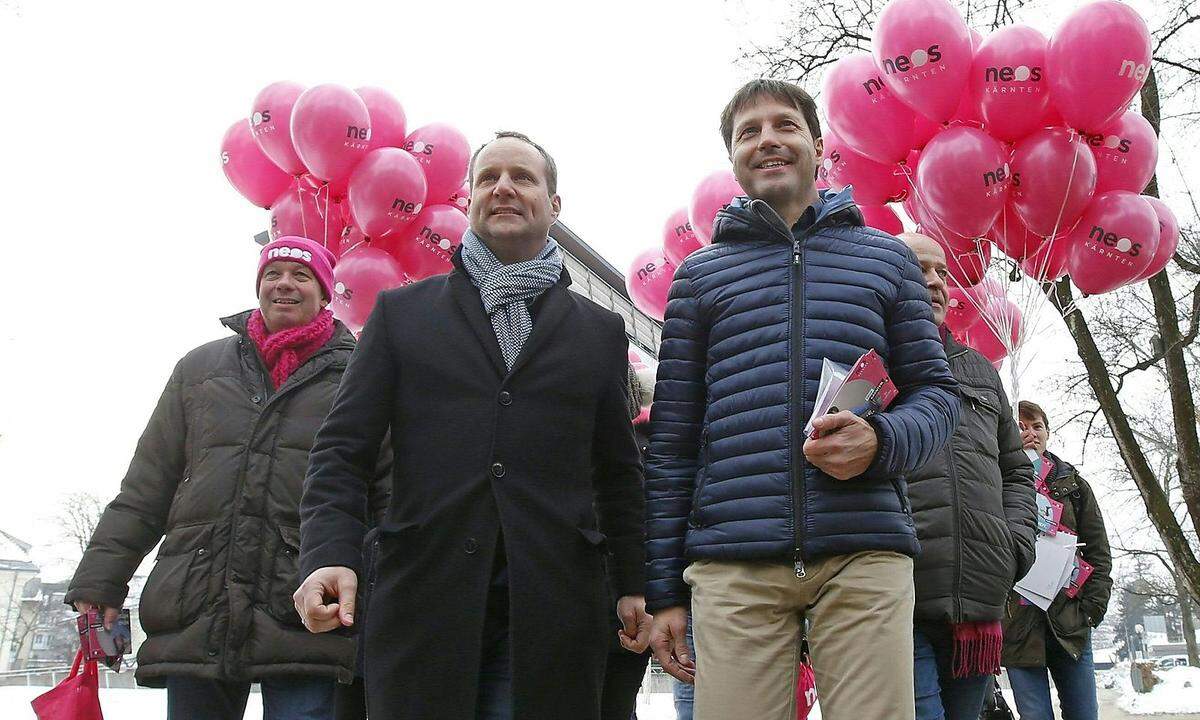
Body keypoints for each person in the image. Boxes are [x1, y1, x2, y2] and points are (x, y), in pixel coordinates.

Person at [295, 131, 650, 720]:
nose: (503, 187)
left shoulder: (599, 331)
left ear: (553, 206)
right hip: (425, 605)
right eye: (488, 177)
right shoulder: (401, 316)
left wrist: (635, 581)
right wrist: (328, 553)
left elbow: (618, 473)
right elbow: (341, 451)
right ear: (469, 201)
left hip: (554, 607)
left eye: (523, 177)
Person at [644, 79, 961, 720]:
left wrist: (882, 441)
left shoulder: (887, 261)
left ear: (817, 146)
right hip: (733, 559)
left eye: (784, 125)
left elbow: (937, 394)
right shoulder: (699, 277)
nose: (767, 140)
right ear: (732, 158)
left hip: (864, 550)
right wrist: (663, 592)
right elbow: (673, 442)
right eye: (748, 132)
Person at [65, 236, 386, 719]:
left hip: (310, 607)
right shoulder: (199, 370)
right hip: (199, 601)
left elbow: (386, 493)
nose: (285, 284)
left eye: (302, 276)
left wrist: (388, 596)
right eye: (272, 274)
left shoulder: (362, 372)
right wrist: (100, 583)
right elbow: (147, 487)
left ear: (326, 294)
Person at [898, 233, 1038, 720]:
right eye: (920, 269)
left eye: (941, 271)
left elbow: (1016, 469)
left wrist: (1015, 541)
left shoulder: (980, 370)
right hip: (895, 593)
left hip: (979, 595)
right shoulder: (865, 363)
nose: (936, 282)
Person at [1001, 401, 1113, 720]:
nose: (1031, 433)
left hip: (1070, 620)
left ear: (1048, 433)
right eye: (1021, 426)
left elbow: (1099, 551)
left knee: (1083, 713)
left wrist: (1092, 609)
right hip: (1018, 625)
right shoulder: (994, 482)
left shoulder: (1074, 484)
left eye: (1037, 426)